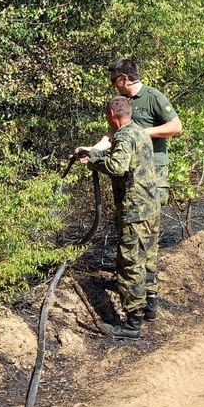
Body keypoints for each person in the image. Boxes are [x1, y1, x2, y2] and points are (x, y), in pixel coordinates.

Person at [83, 58, 183, 322]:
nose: (113, 86)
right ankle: (145, 300)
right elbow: (111, 136)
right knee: (143, 245)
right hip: (136, 183)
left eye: (114, 80)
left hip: (148, 181)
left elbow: (176, 127)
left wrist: (137, 134)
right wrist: (92, 151)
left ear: (124, 79)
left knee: (138, 248)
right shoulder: (123, 110)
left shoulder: (152, 97)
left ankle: (137, 307)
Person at [76, 96, 159, 339]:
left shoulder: (123, 136)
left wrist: (92, 159)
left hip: (134, 209)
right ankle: (149, 307)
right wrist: (94, 154)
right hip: (150, 205)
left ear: (112, 114)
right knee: (149, 255)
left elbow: (118, 167)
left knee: (130, 262)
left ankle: (131, 325)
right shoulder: (140, 132)